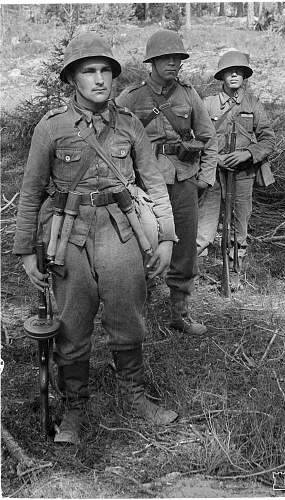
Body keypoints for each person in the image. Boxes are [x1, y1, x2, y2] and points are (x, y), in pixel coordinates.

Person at [13, 32, 179, 445]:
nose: (100, 79)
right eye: (89, 71)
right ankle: (75, 408)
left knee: (128, 316)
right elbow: (32, 191)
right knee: (72, 324)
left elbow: (154, 182)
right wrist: (25, 253)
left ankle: (134, 394)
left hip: (123, 231)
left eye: (106, 70)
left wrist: (166, 238)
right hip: (68, 235)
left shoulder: (128, 124)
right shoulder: (50, 128)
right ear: (73, 78)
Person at [117, 29, 218, 335]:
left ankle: (180, 313)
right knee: (141, 248)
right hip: (145, 187)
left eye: (178, 58)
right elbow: (113, 139)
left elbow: (208, 137)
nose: (174, 63)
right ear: (153, 61)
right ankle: (137, 316)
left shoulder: (189, 95)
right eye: (167, 58)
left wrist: (205, 177)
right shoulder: (131, 98)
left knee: (185, 248)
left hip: (183, 180)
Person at [197, 50, 275, 289]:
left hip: (243, 174)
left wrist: (248, 154)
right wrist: (215, 158)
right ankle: (193, 274)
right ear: (221, 76)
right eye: (229, 71)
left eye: (238, 71)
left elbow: (268, 139)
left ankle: (234, 272)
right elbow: (194, 137)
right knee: (204, 227)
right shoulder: (208, 104)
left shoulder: (253, 103)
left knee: (239, 225)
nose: (233, 75)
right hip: (213, 173)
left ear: (244, 75)